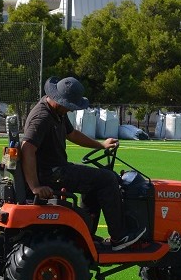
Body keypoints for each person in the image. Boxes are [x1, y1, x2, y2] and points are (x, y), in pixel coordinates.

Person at [21, 76, 146, 251]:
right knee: (108, 179)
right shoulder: (42, 117)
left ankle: (86, 234)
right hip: (50, 174)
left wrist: (100, 144)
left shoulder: (56, 111)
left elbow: (72, 134)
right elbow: (27, 149)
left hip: (55, 169)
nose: (71, 110)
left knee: (94, 180)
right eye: (70, 106)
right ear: (59, 100)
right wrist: (35, 187)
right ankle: (119, 237)